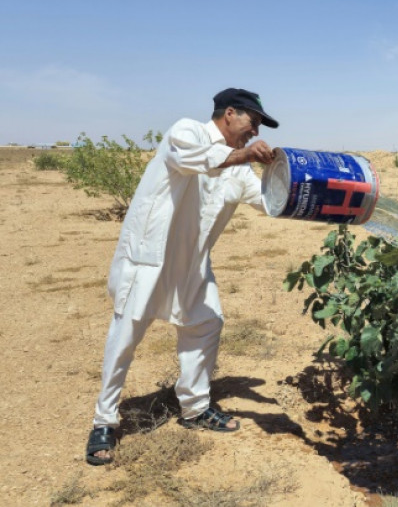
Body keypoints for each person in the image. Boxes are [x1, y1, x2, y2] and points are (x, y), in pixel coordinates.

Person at [85, 88, 279, 466]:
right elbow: (195, 159)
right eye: (253, 122)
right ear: (229, 113)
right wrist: (244, 155)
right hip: (149, 260)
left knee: (206, 324)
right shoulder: (187, 132)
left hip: (192, 265)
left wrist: (311, 188)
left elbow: (271, 200)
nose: (255, 132)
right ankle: (104, 421)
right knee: (125, 338)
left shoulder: (239, 169)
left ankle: (194, 408)